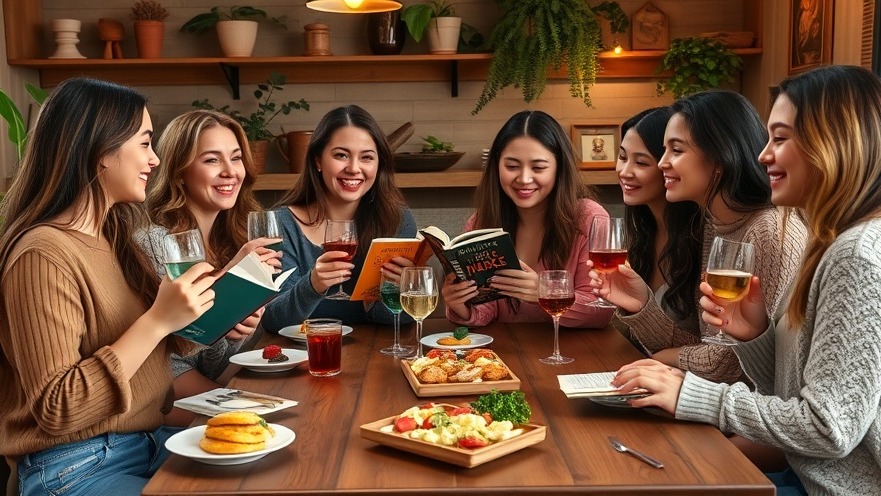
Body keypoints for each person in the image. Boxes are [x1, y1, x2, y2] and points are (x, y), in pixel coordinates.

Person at [613, 64, 881, 496]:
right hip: (801, 475)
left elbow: (828, 427)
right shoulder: (828, 240)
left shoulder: (857, 254)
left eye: (780, 138)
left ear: (831, 144)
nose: (762, 155)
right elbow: (788, 390)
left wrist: (693, 395)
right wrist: (756, 337)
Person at [0, 77, 216, 495]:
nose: (154, 160)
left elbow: (154, 355)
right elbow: (57, 407)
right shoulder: (42, 254)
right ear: (100, 150)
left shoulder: (114, 239)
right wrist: (157, 320)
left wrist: (218, 304)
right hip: (75, 466)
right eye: (145, 143)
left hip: (147, 442)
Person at [593, 91, 807, 384]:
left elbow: (733, 364)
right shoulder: (712, 225)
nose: (662, 163)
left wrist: (660, 360)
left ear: (719, 157)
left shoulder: (770, 230)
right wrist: (643, 305)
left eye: (676, 150)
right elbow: (709, 347)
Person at [139, 109, 282, 426]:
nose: (230, 171)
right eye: (212, 160)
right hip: (165, 403)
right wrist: (229, 277)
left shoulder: (233, 239)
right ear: (179, 171)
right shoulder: (155, 243)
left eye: (236, 158)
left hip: (206, 389)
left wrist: (236, 330)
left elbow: (217, 362)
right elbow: (166, 360)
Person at [442, 110, 613, 328]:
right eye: (512, 166)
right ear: (496, 166)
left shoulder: (590, 218)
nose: (524, 179)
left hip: (573, 347)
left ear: (559, 168)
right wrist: (460, 304)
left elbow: (600, 312)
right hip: (506, 347)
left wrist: (546, 293)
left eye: (538, 167)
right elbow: (487, 309)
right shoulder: (481, 222)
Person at [261, 105, 417, 331]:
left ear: (378, 164)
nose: (354, 168)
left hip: (377, 350)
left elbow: (399, 321)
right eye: (341, 155)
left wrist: (397, 291)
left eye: (366, 157)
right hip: (302, 351)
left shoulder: (397, 220)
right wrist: (313, 284)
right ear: (317, 160)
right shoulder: (282, 225)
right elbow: (273, 320)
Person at [613, 107, 702, 346]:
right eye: (622, 157)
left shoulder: (701, 238)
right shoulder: (642, 231)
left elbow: (715, 351)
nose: (624, 172)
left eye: (641, 162)